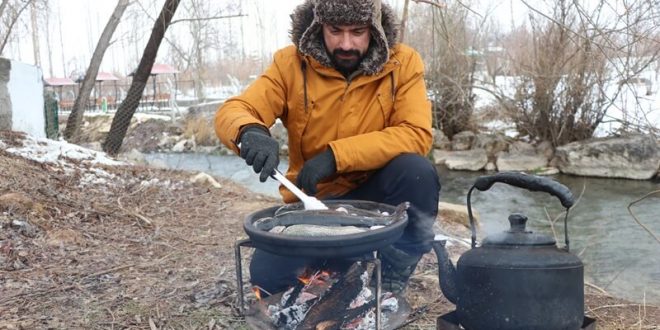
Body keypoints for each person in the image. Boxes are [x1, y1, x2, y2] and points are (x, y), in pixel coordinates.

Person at [215, 0, 440, 295]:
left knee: (417, 172)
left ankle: (394, 270)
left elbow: (415, 133)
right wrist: (249, 130)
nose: (346, 43)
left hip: (375, 198)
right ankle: (342, 262)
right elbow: (236, 109)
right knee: (268, 279)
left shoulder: (403, 63)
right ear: (318, 26)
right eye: (335, 30)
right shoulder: (290, 63)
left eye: (358, 31)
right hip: (315, 202)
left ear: (374, 30)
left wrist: (336, 157)